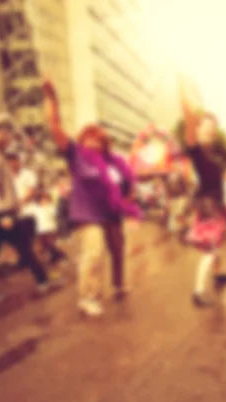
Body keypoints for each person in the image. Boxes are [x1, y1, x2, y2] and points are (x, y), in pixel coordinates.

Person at [42, 77, 140, 316]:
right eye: (89, 138)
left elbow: (129, 185)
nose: (93, 142)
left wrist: (128, 200)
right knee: (94, 252)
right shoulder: (76, 154)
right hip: (87, 214)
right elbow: (55, 127)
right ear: (83, 140)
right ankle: (88, 297)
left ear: (105, 142)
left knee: (117, 250)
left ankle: (118, 285)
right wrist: (52, 99)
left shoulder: (114, 162)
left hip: (111, 213)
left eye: (98, 139)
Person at [0, 124, 54, 307]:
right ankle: (43, 281)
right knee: (23, 248)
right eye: (3, 133)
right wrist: (3, 214)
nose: (7, 136)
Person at [179, 77, 226, 307]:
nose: (209, 129)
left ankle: (217, 275)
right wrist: (186, 104)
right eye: (205, 125)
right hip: (208, 207)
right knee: (210, 249)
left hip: (216, 205)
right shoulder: (198, 152)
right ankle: (198, 292)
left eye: (212, 127)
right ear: (198, 129)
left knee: (217, 243)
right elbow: (190, 130)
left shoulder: (211, 153)